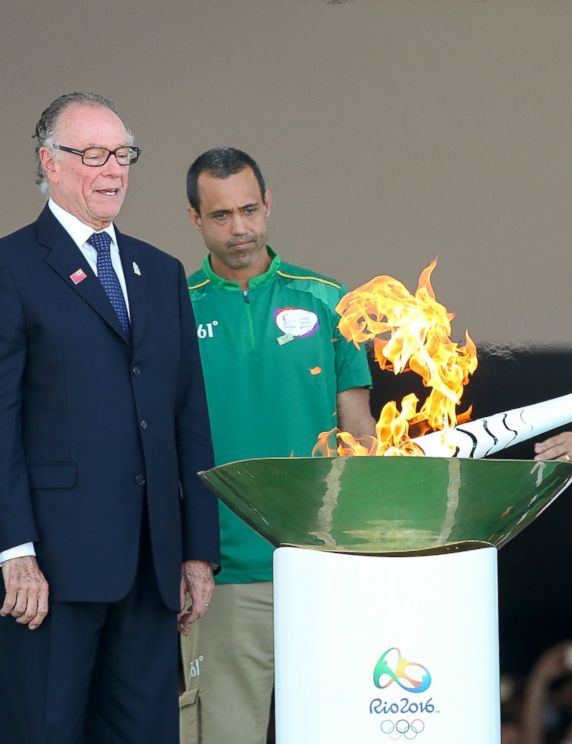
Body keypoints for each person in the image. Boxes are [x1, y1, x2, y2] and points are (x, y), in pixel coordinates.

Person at [0, 92, 219, 743]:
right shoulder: (12, 267)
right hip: (51, 570)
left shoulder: (160, 272)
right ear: (51, 163)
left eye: (122, 155)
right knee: (45, 729)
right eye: (94, 155)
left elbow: (188, 415)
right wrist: (14, 548)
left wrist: (198, 550)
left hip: (151, 567)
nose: (113, 170)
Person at [179, 147, 375, 744]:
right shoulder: (173, 309)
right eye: (220, 216)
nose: (239, 229)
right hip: (224, 571)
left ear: (268, 204)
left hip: (321, 562)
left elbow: (360, 432)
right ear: (195, 219)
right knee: (223, 735)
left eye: (248, 210)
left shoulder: (327, 298)